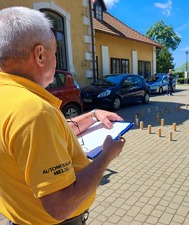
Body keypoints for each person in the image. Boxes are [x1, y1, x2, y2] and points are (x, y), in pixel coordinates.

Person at [0, 6, 125, 225]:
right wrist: (106, 155)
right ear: (40, 55)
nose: (56, 60)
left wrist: (93, 115)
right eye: (54, 53)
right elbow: (60, 205)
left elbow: (32, 140)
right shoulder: (34, 112)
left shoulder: (9, 97)